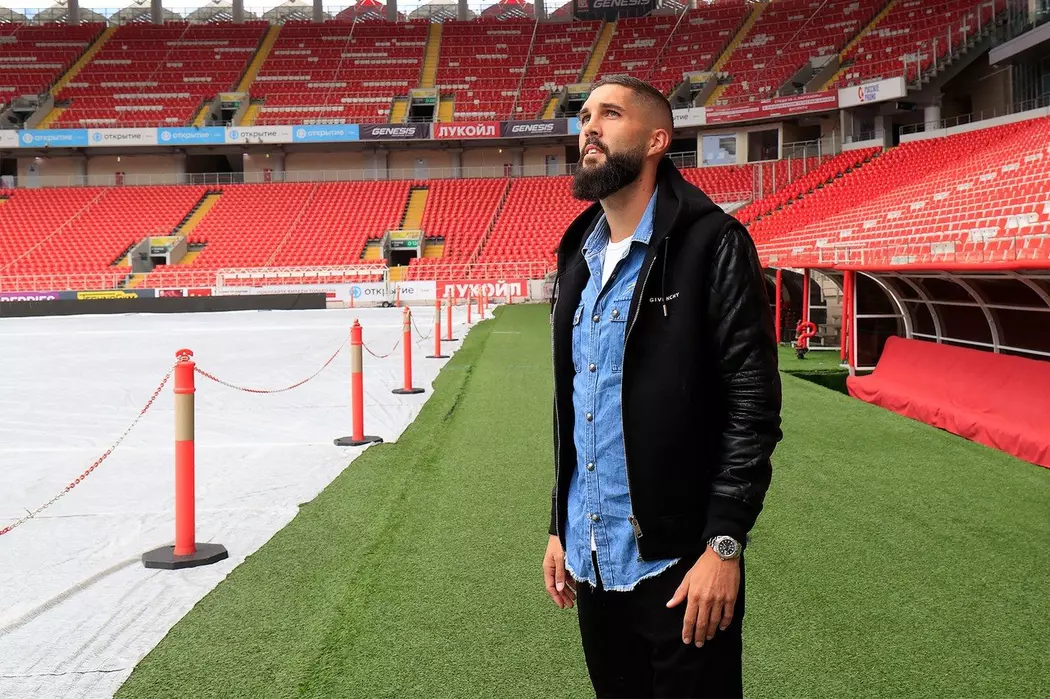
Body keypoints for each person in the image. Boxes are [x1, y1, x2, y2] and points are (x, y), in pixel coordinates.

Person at [542, 75, 783, 698]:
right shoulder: (577, 253)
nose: (588, 128)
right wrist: (560, 525)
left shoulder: (713, 243)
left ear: (656, 140)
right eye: (584, 115)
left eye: (609, 114)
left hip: (681, 565)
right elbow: (575, 406)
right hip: (593, 562)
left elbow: (752, 405)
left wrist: (724, 544)